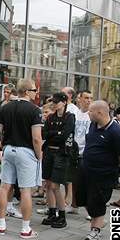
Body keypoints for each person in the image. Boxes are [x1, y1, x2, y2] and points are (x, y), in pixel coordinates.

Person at [0, 78, 42, 239]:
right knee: (25, 189)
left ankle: (1, 224)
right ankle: (25, 228)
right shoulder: (35, 110)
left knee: (4, 186)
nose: (36, 93)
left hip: (8, 149)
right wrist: (39, 155)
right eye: (34, 90)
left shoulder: (5, 108)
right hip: (26, 151)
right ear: (27, 91)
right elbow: (36, 138)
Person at [75, 101, 120, 240]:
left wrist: (108, 167)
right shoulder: (93, 125)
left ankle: (95, 230)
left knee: (97, 201)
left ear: (100, 113)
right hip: (86, 169)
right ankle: (98, 219)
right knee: (82, 199)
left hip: (103, 174)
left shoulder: (116, 132)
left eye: (90, 111)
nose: (88, 114)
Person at [40, 93, 75, 229]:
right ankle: (52, 212)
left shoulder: (70, 117)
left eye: (57, 102)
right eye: (53, 102)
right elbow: (45, 134)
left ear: (64, 102)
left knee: (55, 186)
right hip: (49, 151)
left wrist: (54, 134)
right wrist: (57, 133)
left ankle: (62, 215)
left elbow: (66, 134)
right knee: (48, 185)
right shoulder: (51, 117)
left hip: (61, 153)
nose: (54, 104)